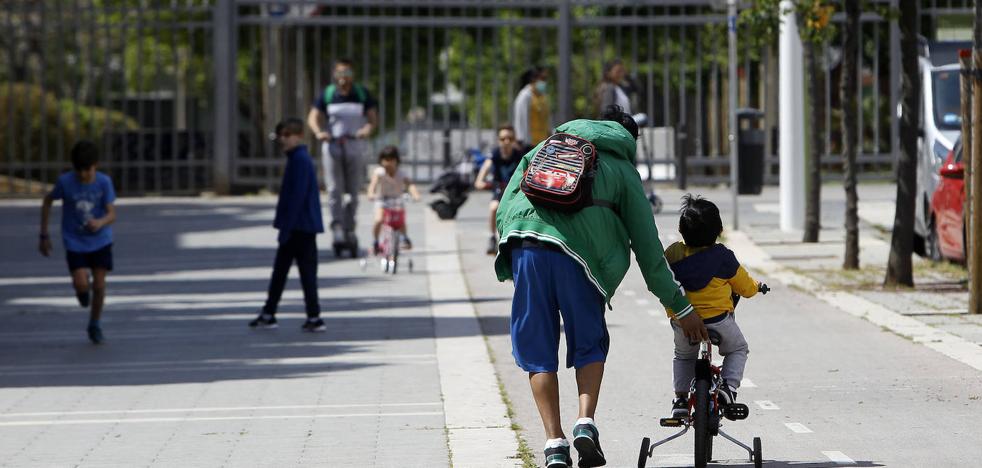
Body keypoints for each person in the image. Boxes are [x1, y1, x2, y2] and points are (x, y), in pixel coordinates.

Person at [494, 105, 708, 468]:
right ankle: (585, 422)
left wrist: (513, 256)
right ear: (628, 138)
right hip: (580, 260)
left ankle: (553, 444)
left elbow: (504, 207)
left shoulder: (544, 147)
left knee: (537, 351)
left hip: (527, 246)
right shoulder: (623, 169)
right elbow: (647, 248)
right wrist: (681, 306)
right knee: (589, 344)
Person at [664, 195, 762, 418]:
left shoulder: (673, 254)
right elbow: (745, 288)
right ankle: (728, 388)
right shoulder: (723, 257)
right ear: (719, 231)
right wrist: (757, 287)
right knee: (738, 349)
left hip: (682, 320)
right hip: (718, 320)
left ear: (681, 229)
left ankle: (680, 399)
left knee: (683, 356)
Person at [249, 118, 326, 333]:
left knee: (294, 272)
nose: (283, 139)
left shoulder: (299, 160)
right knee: (288, 272)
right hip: (301, 226)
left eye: (287, 135)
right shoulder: (297, 158)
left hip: (299, 227)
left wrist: (286, 228)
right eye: (280, 136)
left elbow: (297, 197)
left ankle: (305, 315)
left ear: (298, 135)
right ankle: (283, 312)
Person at [39, 140, 117, 344]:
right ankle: (82, 293)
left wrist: (100, 222)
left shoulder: (103, 182)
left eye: (87, 170)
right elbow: (48, 201)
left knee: (99, 285)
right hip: (75, 240)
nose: (83, 175)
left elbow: (112, 213)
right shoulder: (65, 182)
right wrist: (44, 234)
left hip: (100, 239)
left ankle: (95, 323)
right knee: (81, 282)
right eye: (79, 170)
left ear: (96, 165)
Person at [306, 58, 378, 249]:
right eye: (340, 74)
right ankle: (337, 225)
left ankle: (350, 226)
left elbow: (372, 119)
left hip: (355, 145)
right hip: (333, 146)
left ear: (352, 75)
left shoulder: (361, 94)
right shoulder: (328, 94)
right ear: (334, 75)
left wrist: (366, 130)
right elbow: (313, 117)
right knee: (334, 189)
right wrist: (319, 132)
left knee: (353, 191)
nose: (343, 78)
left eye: (347, 73)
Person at [474, 124, 523, 255]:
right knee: (493, 207)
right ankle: (492, 237)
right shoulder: (495, 154)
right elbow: (485, 168)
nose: (506, 142)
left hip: (515, 190)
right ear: (498, 140)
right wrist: (480, 181)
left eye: (510, 139)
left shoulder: (519, 155)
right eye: (503, 139)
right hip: (499, 188)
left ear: (514, 140)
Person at [366, 145, 421, 253]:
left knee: (400, 221)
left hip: (396, 199)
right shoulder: (379, 172)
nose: (388, 163)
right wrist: (371, 193)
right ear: (381, 161)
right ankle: (376, 241)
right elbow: (373, 184)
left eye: (391, 160)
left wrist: (415, 195)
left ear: (396, 160)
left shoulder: (401, 173)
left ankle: (404, 237)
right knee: (379, 220)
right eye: (386, 160)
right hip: (382, 199)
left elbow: (410, 185)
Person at [513, 66, 552, 147]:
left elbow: (547, 118)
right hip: (529, 143)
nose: (544, 82)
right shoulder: (525, 95)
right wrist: (520, 139)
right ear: (533, 79)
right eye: (543, 78)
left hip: (543, 142)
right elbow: (520, 119)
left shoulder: (543, 96)